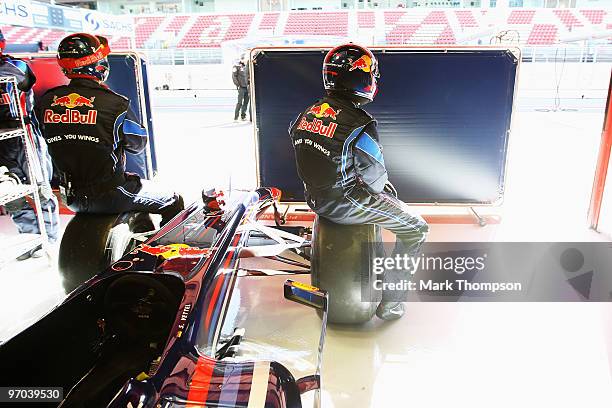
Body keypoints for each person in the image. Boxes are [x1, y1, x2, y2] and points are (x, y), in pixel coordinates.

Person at [289, 44, 429, 321]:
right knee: (416, 228)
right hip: (347, 203)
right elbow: (376, 177)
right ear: (360, 77)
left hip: (315, 198)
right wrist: (388, 195)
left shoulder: (307, 113)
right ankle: (392, 303)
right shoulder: (360, 122)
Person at [37, 33, 183, 225]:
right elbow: (139, 144)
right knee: (174, 200)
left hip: (71, 198)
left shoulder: (46, 101)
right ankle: (160, 253)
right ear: (97, 65)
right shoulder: (115, 103)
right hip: (111, 194)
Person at [0, 30, 59, 259]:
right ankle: (30, 238)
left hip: (26, 136)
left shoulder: (17, 66)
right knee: (10, 194)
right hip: (2, 144)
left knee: (41, 188)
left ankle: (49, 239)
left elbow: (18, 78)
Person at [232, 54, 251, 122]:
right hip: (241, 87)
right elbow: (234, 77)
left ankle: (243, 116)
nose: (244, 59)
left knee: (246, 102)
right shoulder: (236, 66)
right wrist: (238, 85)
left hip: (248, 87)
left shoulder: (247, 66)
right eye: (243, 58)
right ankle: (236, 117)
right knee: (240, 103)